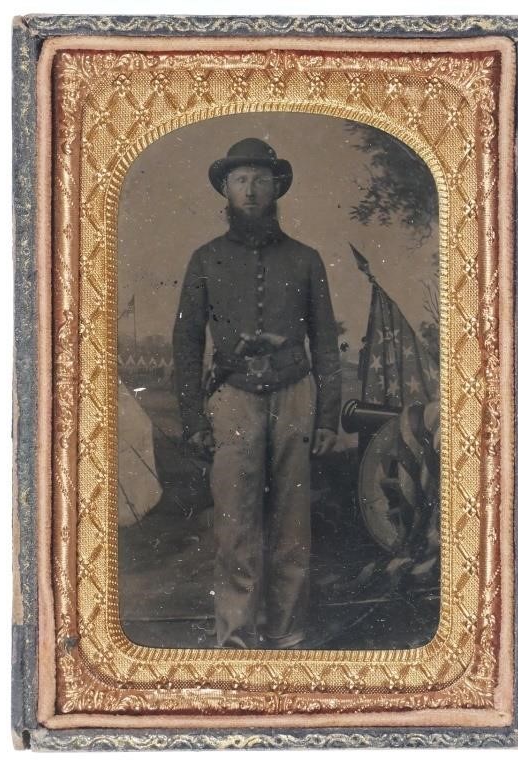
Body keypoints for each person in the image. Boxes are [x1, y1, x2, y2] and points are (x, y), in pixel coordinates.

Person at [173, 138, 341, 649]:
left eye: (261, 179)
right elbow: (185, 343)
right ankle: (237, 637)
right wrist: (193, 419)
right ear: (225, 188)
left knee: (293, 524)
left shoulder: (307, 260)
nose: (251, 189)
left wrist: (328, 419)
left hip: (295, 397)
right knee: (235, 524)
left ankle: (287, 632)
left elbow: (327, 344)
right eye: (241, 179)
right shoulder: (205, 260)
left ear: (277, 188)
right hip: (233, 399)